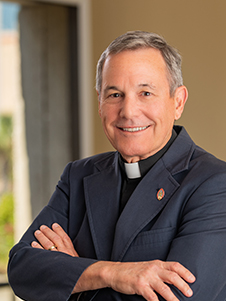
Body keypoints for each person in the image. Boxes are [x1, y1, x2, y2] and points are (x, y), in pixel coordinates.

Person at [7, 31, 226, 301]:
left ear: (177, 101)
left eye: (145, 93)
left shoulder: (214, 183)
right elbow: (22, 267)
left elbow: (181, 297)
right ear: (100, 102)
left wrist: (75, 278)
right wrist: (112, 274)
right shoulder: (78, 176)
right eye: (114, 95)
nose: (128, 111)